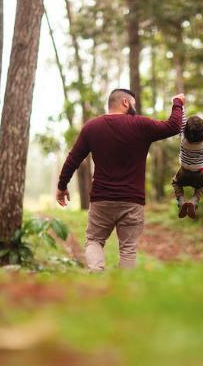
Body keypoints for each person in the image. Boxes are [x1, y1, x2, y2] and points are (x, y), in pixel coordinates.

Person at [56, 89, 185, 271]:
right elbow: (174, 126)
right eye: (133, 102)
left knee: (94, 240)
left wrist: (62, 186)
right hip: (132, 201)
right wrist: (177, 102)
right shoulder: (141, 125)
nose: (135, 107)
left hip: (102, 199)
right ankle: (124, 290)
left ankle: (97, 275)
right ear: (125, 102)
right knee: (128, 249)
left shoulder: (92, 127)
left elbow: (73, 159)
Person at [171, 106, 203, 218]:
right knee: (201, 187)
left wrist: (181, 106)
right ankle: (194, 201)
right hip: (199, 172)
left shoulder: (183, 137)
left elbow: (182, 120)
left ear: (185, 130)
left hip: (184, 171)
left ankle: (181, 201)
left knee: (176, 183)